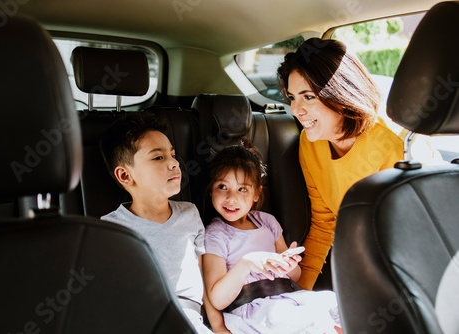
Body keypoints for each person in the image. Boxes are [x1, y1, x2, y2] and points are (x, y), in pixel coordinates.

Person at [276, 37, 410, 290]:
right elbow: (323, 224)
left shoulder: (393, 146)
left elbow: (401, 242)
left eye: (308, 96)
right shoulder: (310, 142)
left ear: (341, 95)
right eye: (292, 97)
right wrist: (299, 296)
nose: (296, 109)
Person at [99, 112, 229, 334]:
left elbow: (202, 277)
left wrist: (217, 326)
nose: (174, 164)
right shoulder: (110, 229)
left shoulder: (189, 214)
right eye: (158, 158)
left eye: (173, 154)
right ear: (125, 176)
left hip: (190, 321)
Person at [203, 140, 342, 334]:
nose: (231, 198)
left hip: (288, 296)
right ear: (211, 189)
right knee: (297, 319)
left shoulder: (266, 222)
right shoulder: (216, 234)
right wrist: (246, 264)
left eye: (242, 189)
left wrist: (291, 265)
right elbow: (216, 298)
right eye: (222, 187)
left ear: (257, 194)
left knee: (335, 304)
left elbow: (296, 277)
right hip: (255, 309)